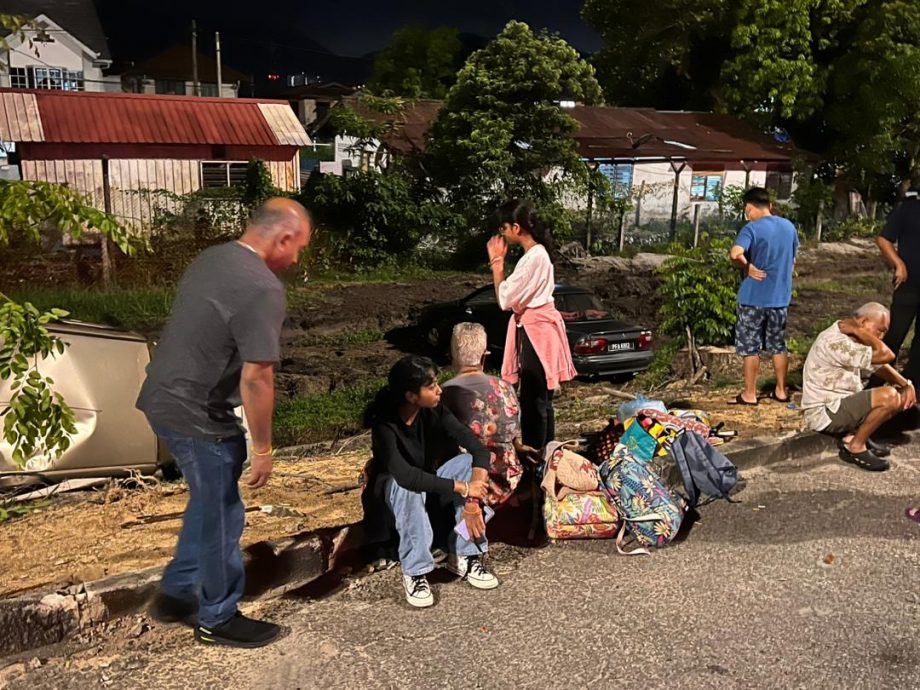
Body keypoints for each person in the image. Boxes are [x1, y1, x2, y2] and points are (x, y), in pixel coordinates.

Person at [137, 198, 312, 648]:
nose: (296, 259)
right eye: (299, 248)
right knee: (222, 516)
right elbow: (258, 377)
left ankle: (176, 593)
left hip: (163, 398)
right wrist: (264, 448)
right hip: (198, 413)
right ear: (283, 238)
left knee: (208, 502)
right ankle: (217, 617)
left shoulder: (213, 257)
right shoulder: (262, 287)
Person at [362, 355, 498, 609]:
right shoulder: (385, 425)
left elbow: (478, 451)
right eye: (432, 385)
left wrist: (471, 501)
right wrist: (463, 488)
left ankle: (465, 554)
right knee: (408, 487)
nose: (439, 389)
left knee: (466, 464)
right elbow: (406, 476)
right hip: (395, 500)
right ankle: (415, 570)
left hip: (431, 489)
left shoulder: (434, 409)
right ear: (411, 395)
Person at [487, 199, 577, 450]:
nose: (502, 234)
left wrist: (497, 265)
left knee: (534, 399)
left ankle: (537, 455)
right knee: (541, 399)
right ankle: (545, 452)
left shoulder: (534, 258)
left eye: (504, 228)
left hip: (537, 330)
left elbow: (505, 299)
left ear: (516, 227)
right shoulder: (536, 256)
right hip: (538, 328)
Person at [801, 303, 916, 472]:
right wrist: (861, 332)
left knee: (898, 396)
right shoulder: (835, 341)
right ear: (863, 322)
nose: (881, 337)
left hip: (840, 404)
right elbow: (887, 355)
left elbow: (878, 365)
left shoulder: (850, 336)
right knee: (889, 396)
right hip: (825, 412)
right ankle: (855, 446)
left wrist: (905, 385)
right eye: (880, 330)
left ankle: (854, 436)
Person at [441, 323, 541, 507]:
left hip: (469, 484)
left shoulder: (444, 393)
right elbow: (514, 436)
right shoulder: (505, 388)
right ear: (485, 353)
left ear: (453, 353)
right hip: (509, 483)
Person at [729, 186, 799, 405]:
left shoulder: (751, 228)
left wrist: (747, 267)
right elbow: (794, 258)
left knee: (750, 347)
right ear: (770, 206)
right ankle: (781, 390)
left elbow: (735, 253)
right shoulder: (789, 227)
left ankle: (749, 394)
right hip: (779, 298)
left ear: (749, 207)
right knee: (778, 344)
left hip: (753, 298)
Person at [875, 185, 920, 384]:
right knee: (895, 334)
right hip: (908, 283)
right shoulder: (908, 209)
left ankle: (911, 384)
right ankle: (877, 381)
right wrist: (898, 263)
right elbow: (883, 239)